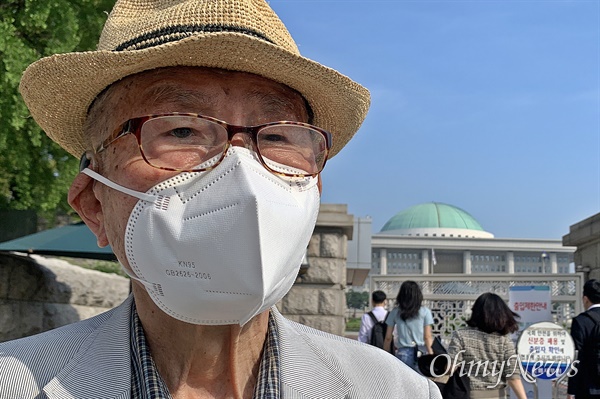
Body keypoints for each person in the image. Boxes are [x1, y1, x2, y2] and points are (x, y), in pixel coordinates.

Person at [0, 1, 442, 398]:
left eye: (277, 136)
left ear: (313, 191)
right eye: (181, 130)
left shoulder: (397, 390)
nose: (243, 171)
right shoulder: (13, 382)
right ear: (94, 204)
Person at [447, 293, 527, 399]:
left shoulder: (461, 335)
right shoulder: (503, 340)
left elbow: (450, 368)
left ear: (475, 311)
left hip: (468, 394)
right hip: (497, 395)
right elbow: (513, 377)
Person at [384, 280, 434, 370]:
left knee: (404, 382)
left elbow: (388, 337)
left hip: (403, 352)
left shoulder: (395, 312)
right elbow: (427, 336)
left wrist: (385, 353)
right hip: (421, 352)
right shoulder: (425, 312)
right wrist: (431, 353)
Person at [568, 279, 600, 399]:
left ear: (585, 299)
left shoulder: (581, 321)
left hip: (588, 387)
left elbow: (577, 357)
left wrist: (571, 390)